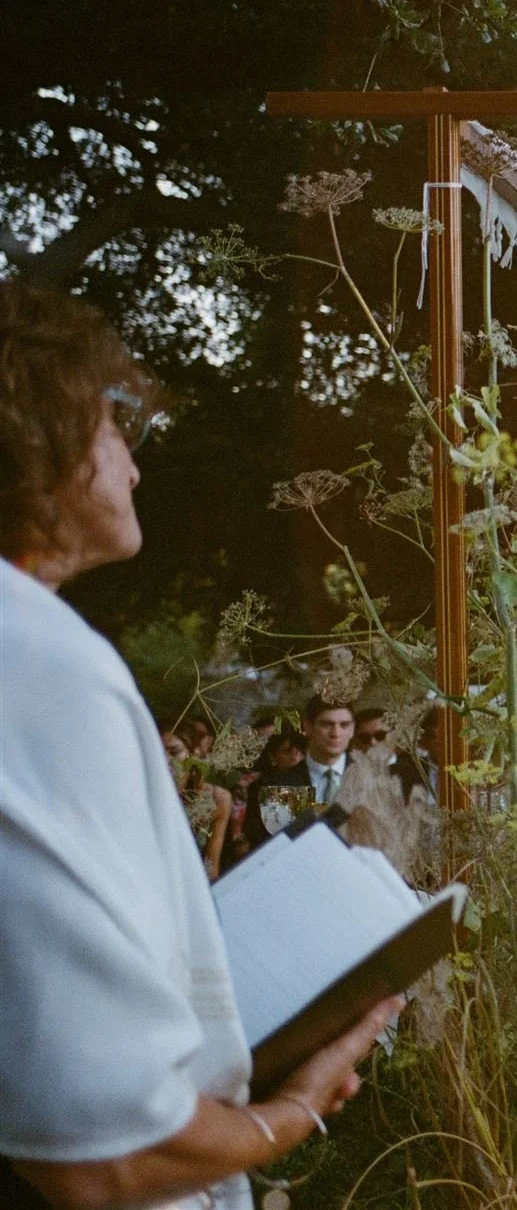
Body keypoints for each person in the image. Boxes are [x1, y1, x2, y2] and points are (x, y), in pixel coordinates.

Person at [0, 281, 397, 1209]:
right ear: (42, 432)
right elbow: (106, 1152)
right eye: (116, 426)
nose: (136, 470)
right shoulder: (46, 665)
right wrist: (292, 1110)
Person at [244, 699, 354, 852]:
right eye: (326, 724)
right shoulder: (274, 785)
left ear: (352, 729)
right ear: (308, 727)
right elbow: (268, 851)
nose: (335, 734)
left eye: (344, 725)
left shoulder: (375, 781)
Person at [164, 727, 232, 881]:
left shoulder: (216, 798)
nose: (166, 760)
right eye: (159, 754)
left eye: (174, 752)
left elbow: (211, 864)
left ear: (193, 754)